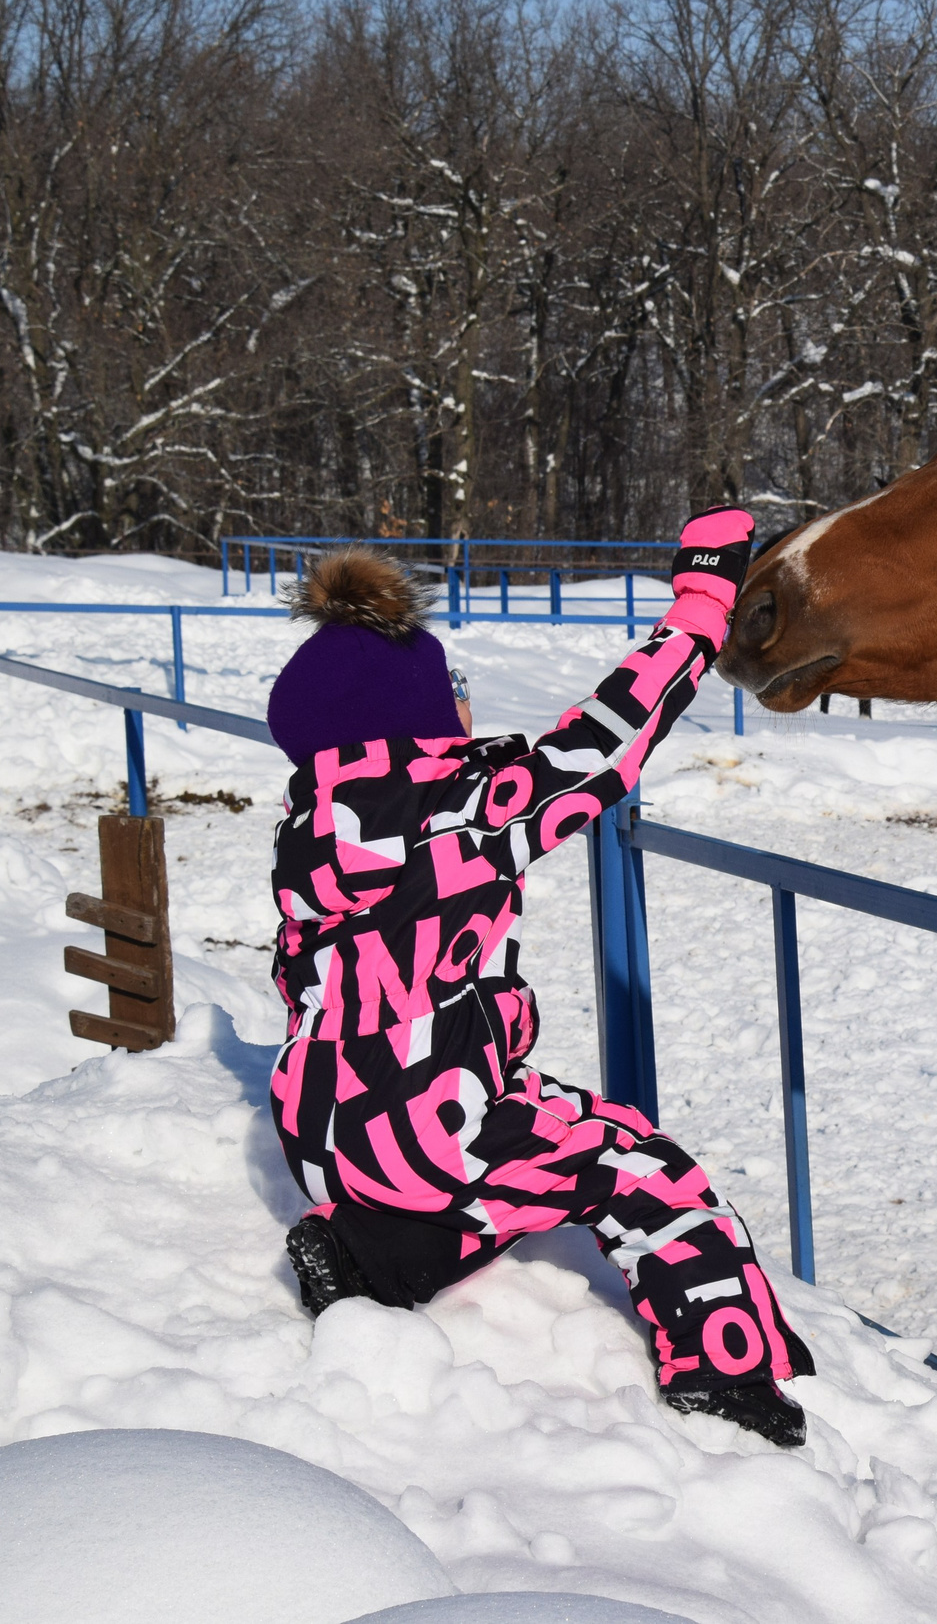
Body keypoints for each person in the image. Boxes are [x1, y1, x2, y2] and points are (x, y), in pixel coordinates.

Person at [261, 510, 811, 1447]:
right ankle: (728, 1378)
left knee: (505, 1177)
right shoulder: (458, 807)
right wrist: (702, 606)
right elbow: (604, 743)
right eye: (453, 691)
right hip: (436, 1118)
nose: (467, 707)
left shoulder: (308, 826)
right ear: (416, 715)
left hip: (321, 1124)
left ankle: (375, 1255)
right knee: (645, 1168)